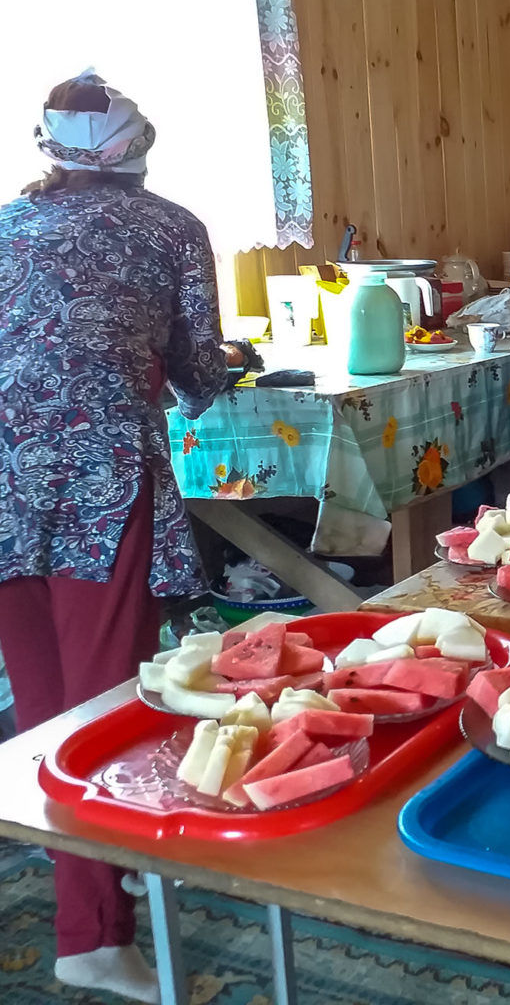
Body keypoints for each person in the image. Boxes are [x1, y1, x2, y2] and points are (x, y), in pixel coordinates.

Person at [0, 73, 245, 1003]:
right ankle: (92, 934)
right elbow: (198, 372)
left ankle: (102, 869)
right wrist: (203, 374)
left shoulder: (7, 224)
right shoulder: (170, 227)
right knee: (101, 705)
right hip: (98, 477)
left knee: (41, 704)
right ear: (138, 147)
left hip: (2, 477)